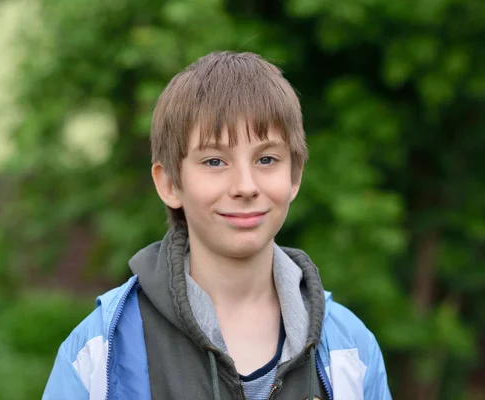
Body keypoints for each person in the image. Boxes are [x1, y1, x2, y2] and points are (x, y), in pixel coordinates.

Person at [42, 51, 391, 400]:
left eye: (267, 159)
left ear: (295, 175)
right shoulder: (101, 351)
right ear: (169, 184)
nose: (245, 186)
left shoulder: (350, 350)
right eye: (214, 161)